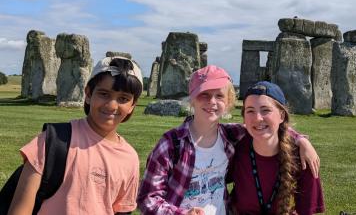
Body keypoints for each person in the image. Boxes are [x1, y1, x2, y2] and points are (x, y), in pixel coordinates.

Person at [137, 65, 320, 215]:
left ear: (229, 101)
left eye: (219, 96)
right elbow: (147, 198)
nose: (212, 102)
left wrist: (301, 140)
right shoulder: (170, 144)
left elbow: (269, 128)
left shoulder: (231, 136)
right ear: (192, 99)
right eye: (204, 95)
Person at [8, 56, 143, 215]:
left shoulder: (130, 158)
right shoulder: (53, 140)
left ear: (132, 105)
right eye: (104, 94)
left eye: (123, 99)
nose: (112, 105)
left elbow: (122, 210)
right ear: (88, 93)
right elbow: (20, 210)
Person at [228, 81, 325, 215]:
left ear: (281, 115)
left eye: (265, 110)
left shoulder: (303, 158)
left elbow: (307, 210)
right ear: (244, 117)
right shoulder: (235, 149)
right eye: (250, 110)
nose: (257, 118)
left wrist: (300, 140)